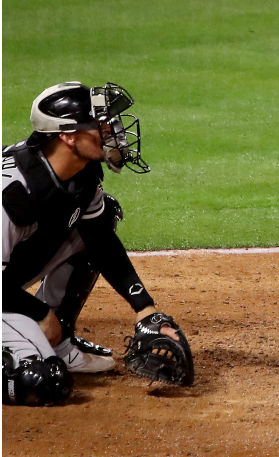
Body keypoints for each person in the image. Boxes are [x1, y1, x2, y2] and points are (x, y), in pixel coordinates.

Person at [2, 81, 183, 404]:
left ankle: (60, 343)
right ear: (68, 135)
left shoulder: (81, 176)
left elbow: (100, 241)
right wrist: (41, 314)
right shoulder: (14, 194)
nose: (113, 130)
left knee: (100, 218)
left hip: (7, 279)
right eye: (100, 124)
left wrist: (146, 310)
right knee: (41, 383)